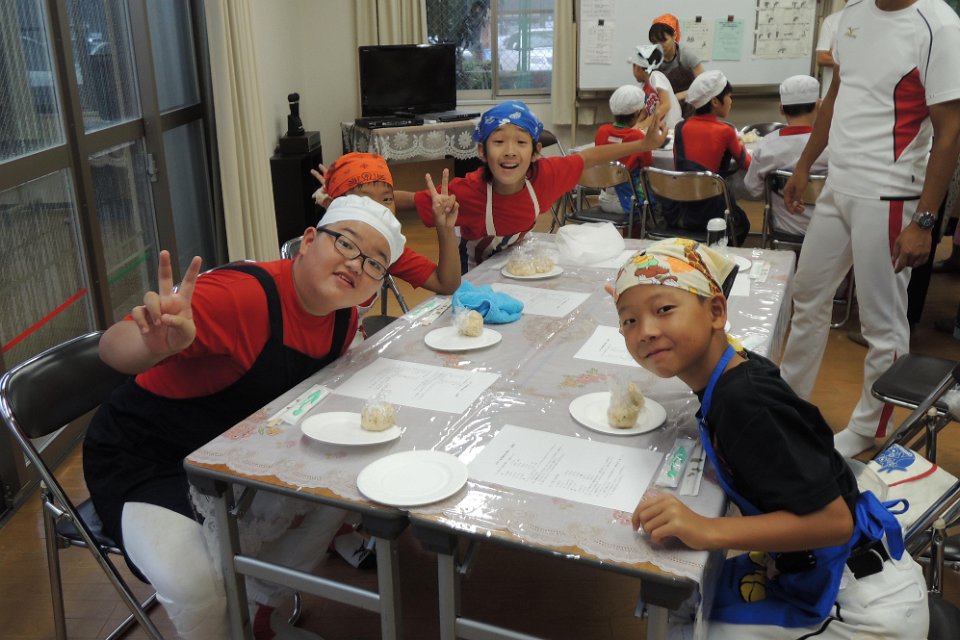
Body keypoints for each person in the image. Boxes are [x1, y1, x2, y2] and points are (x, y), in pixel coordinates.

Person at [83, 195, 407, 640]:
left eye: (374, 263)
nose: (356, 264)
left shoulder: (343, 320)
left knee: (343, 493)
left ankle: (259, 613)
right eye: (346, 244)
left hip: (235, 454)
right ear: (308, 241)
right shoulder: (240, 296)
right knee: (195, 587)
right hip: (145, 458)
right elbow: (111, 348)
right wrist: (153, 346)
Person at [614, 238, 928, 639]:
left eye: (664, 310)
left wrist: (706, 528)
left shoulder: (745, 403)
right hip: (813, 565)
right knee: (683, 600)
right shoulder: (732, 369)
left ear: (716, 311)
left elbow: (834, 522)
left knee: (683, 626)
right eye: (629, 320)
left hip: (863, 606)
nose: (646, 331)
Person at [780, 0, 960, 458]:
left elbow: (951, 130)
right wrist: (805, 164)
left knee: (882, 322)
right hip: (839, 185)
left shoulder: (938, 25)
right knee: (808, 295)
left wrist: (924, 220)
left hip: (890, 194)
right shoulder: (852, 16)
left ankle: (869, 426)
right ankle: (789, 399)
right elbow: (836, 97)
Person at [395, 100, 667, 271]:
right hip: (473, 271)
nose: (510, 151)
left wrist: (644, 144)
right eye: (498, 142)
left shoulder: (546, 177)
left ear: (536, 152)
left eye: (521, 142)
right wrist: (371, 200)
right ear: (482, 151)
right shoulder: (468, 191)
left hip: (512, 264)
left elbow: (589, 157)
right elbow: (407, 200)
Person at [312, 152, 460, 295]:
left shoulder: (386, 251)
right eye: (365, 200)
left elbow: (446, 284)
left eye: (387, 199)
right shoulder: (320, 251)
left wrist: (445, 229)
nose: (379, 210)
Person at [669, 70, 752, 245]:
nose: (731, 101)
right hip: (712, 213)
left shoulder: (680, 127)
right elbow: (746, 163)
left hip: (681, 211)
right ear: (715, 101)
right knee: (743, 223)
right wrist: (740, 145)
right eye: (729, 97)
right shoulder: (726, 131)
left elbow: (679, 167)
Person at [743, 75, 829, 238]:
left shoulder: (767, 145)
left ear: (781, 109)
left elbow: (753, 189)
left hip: (784, 231)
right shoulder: (832, 144)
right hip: (828, 232)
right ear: (819, 105)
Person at [594, 84, 655, 214]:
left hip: (603, 199)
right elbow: (647, 166)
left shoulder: (602, 131)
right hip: (630, 203)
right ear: (637, 112)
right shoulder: (638, 137)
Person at [648, 13, 704, 106]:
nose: (660, 46)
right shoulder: (652, 59)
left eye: (664, 40)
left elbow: (704, 83)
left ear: (674, 35)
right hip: (667, 105)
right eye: (655, 43)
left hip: (692, 102)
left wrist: (678, 96)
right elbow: (651, 88)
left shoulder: (687, 55)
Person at [628, 43, 682, 130]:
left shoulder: (656, 77)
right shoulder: (642, 87)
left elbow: (665, 105)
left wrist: (643, 124)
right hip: (658, 128)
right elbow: (645, 110)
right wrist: (637, 124)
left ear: (637, 67)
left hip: (672, 127)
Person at [815, 2, 846, 99]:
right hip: (831, 97)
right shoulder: (831, 20)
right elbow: (821, 58)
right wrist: (852, 61)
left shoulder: (870, 22)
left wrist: (835, 54)